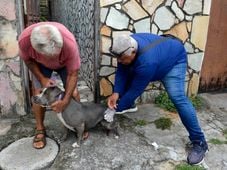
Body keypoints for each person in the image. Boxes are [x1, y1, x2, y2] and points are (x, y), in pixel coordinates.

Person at [106, 33, 208, 165]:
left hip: (173, 61)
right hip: (158, 58)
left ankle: (200, 142)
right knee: (128, 68)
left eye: (121, 58)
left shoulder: (147, 62)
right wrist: (116, 93)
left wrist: (115, 109)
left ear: (133, 51)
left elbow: (136, 89)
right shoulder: (125, 44)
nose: (118, 61)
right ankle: (129, 105)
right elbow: (121, 71)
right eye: (117, 57)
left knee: (178, 98)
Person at [18, 22, 82, 149]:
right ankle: (40, 128)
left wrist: (65, 101)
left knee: (73, 93)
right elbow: (28, 61)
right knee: (38, 94)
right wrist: (42, 78)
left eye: (56, 54)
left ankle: (76, 123)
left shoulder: (69, 43)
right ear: (36, 49)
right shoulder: (24, 41)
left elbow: (73, 74)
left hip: (65, 65)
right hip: (40, 66)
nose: (53, 59)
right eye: (50, 57)